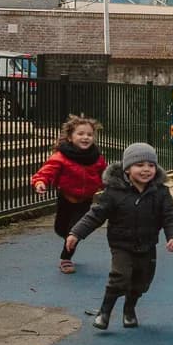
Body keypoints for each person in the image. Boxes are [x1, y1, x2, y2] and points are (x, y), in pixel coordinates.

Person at [65, 142, 173, 330]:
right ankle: (104, 312)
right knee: (120, 276)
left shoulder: (160, 192)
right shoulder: (114, 192)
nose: (146, 170)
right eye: (140, 165)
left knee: (141, 281)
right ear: (127, 169)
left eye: (151, 165)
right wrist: (76, 233)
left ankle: (129, 309)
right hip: (121, 244)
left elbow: (171, 216)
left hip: (147, 244)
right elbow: (96, 215)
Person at [31, 114, 107, 274]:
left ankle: (66, 258)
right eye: (80, 134)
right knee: (61, 229)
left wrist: (111, 186)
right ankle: (68, 237)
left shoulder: (97, 158)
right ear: (70, 137)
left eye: (89, 134)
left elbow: (105, 175)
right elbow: (46, 171)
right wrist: (40, 182)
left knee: (75, 230)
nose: (85, 137)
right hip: (66, 197)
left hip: (85, 200)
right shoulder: (61, 157)